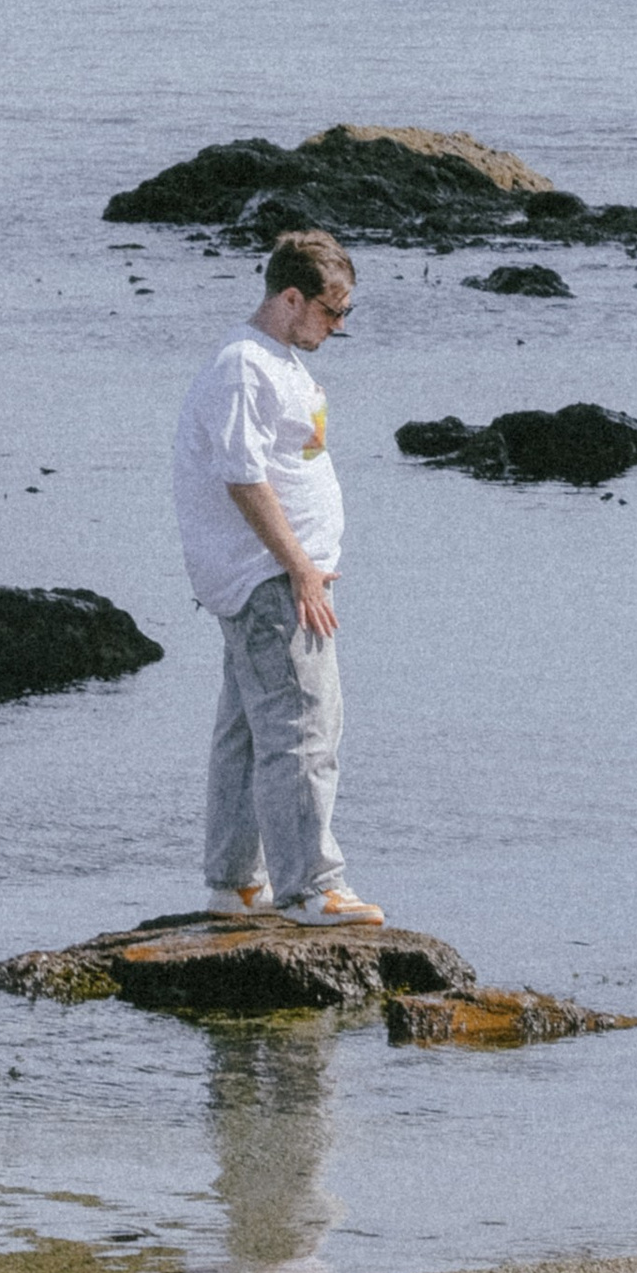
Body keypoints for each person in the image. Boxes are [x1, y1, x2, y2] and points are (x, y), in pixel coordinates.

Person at [169, 227, 384, 926]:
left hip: (277, 576)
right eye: (332, 310)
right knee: (304, 725)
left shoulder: (278, 360)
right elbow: (241, 475)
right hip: (270, 579)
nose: (340, 326)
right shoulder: (243, 365)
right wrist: (301, 571)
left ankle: (235, 884)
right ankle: (311, 887)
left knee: (249, 730)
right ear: (291, 297)